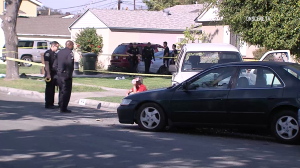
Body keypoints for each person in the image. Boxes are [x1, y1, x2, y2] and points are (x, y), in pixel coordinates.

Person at [57, 40, 75, 113]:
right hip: (66, 75)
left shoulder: (59, 52)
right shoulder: (70, 53)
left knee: (61, 91)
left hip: (59, 74)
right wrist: (69, 74)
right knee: (66, 92)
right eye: (72, 45)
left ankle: (60, 104)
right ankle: (63, 107)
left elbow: (55, 63)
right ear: (70, 45)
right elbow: (70, 64)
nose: (73, 47)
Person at [44, 41, 59, 109]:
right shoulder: (48, 53)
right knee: (49, 89)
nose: (57, 48)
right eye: (57, 47)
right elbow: (46, 64)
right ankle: (48, 103)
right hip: (49, 73)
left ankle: (51, 103)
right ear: (53, 46)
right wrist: (48, 74)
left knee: (52, 89)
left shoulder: (54, 54)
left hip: (54, 73)